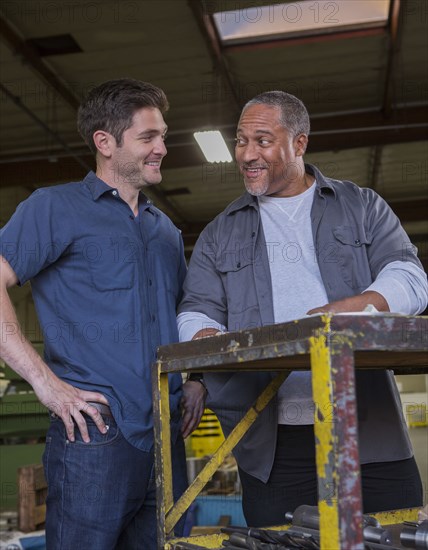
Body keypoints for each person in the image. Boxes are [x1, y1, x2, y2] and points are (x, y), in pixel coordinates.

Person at [177, 91, 428, 527]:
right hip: (274, 446)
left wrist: (342, 312)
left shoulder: (361, 206)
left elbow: (409, 277)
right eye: (240, 141)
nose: (247, 154)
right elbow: (196, 310)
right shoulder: (219, 233)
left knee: (394, 535)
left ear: (299, 143)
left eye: (262, 140)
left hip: (368, 429)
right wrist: (206, 346)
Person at [0, 79, 205, 549]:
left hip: (168, 435)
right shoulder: (54, 209)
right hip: (94, 436)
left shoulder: (165, 232)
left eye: (163, 136)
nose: (162, 149)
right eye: (148, 137)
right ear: (105, 142)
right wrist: (44, 383)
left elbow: (188, 315)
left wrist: (196, 377)